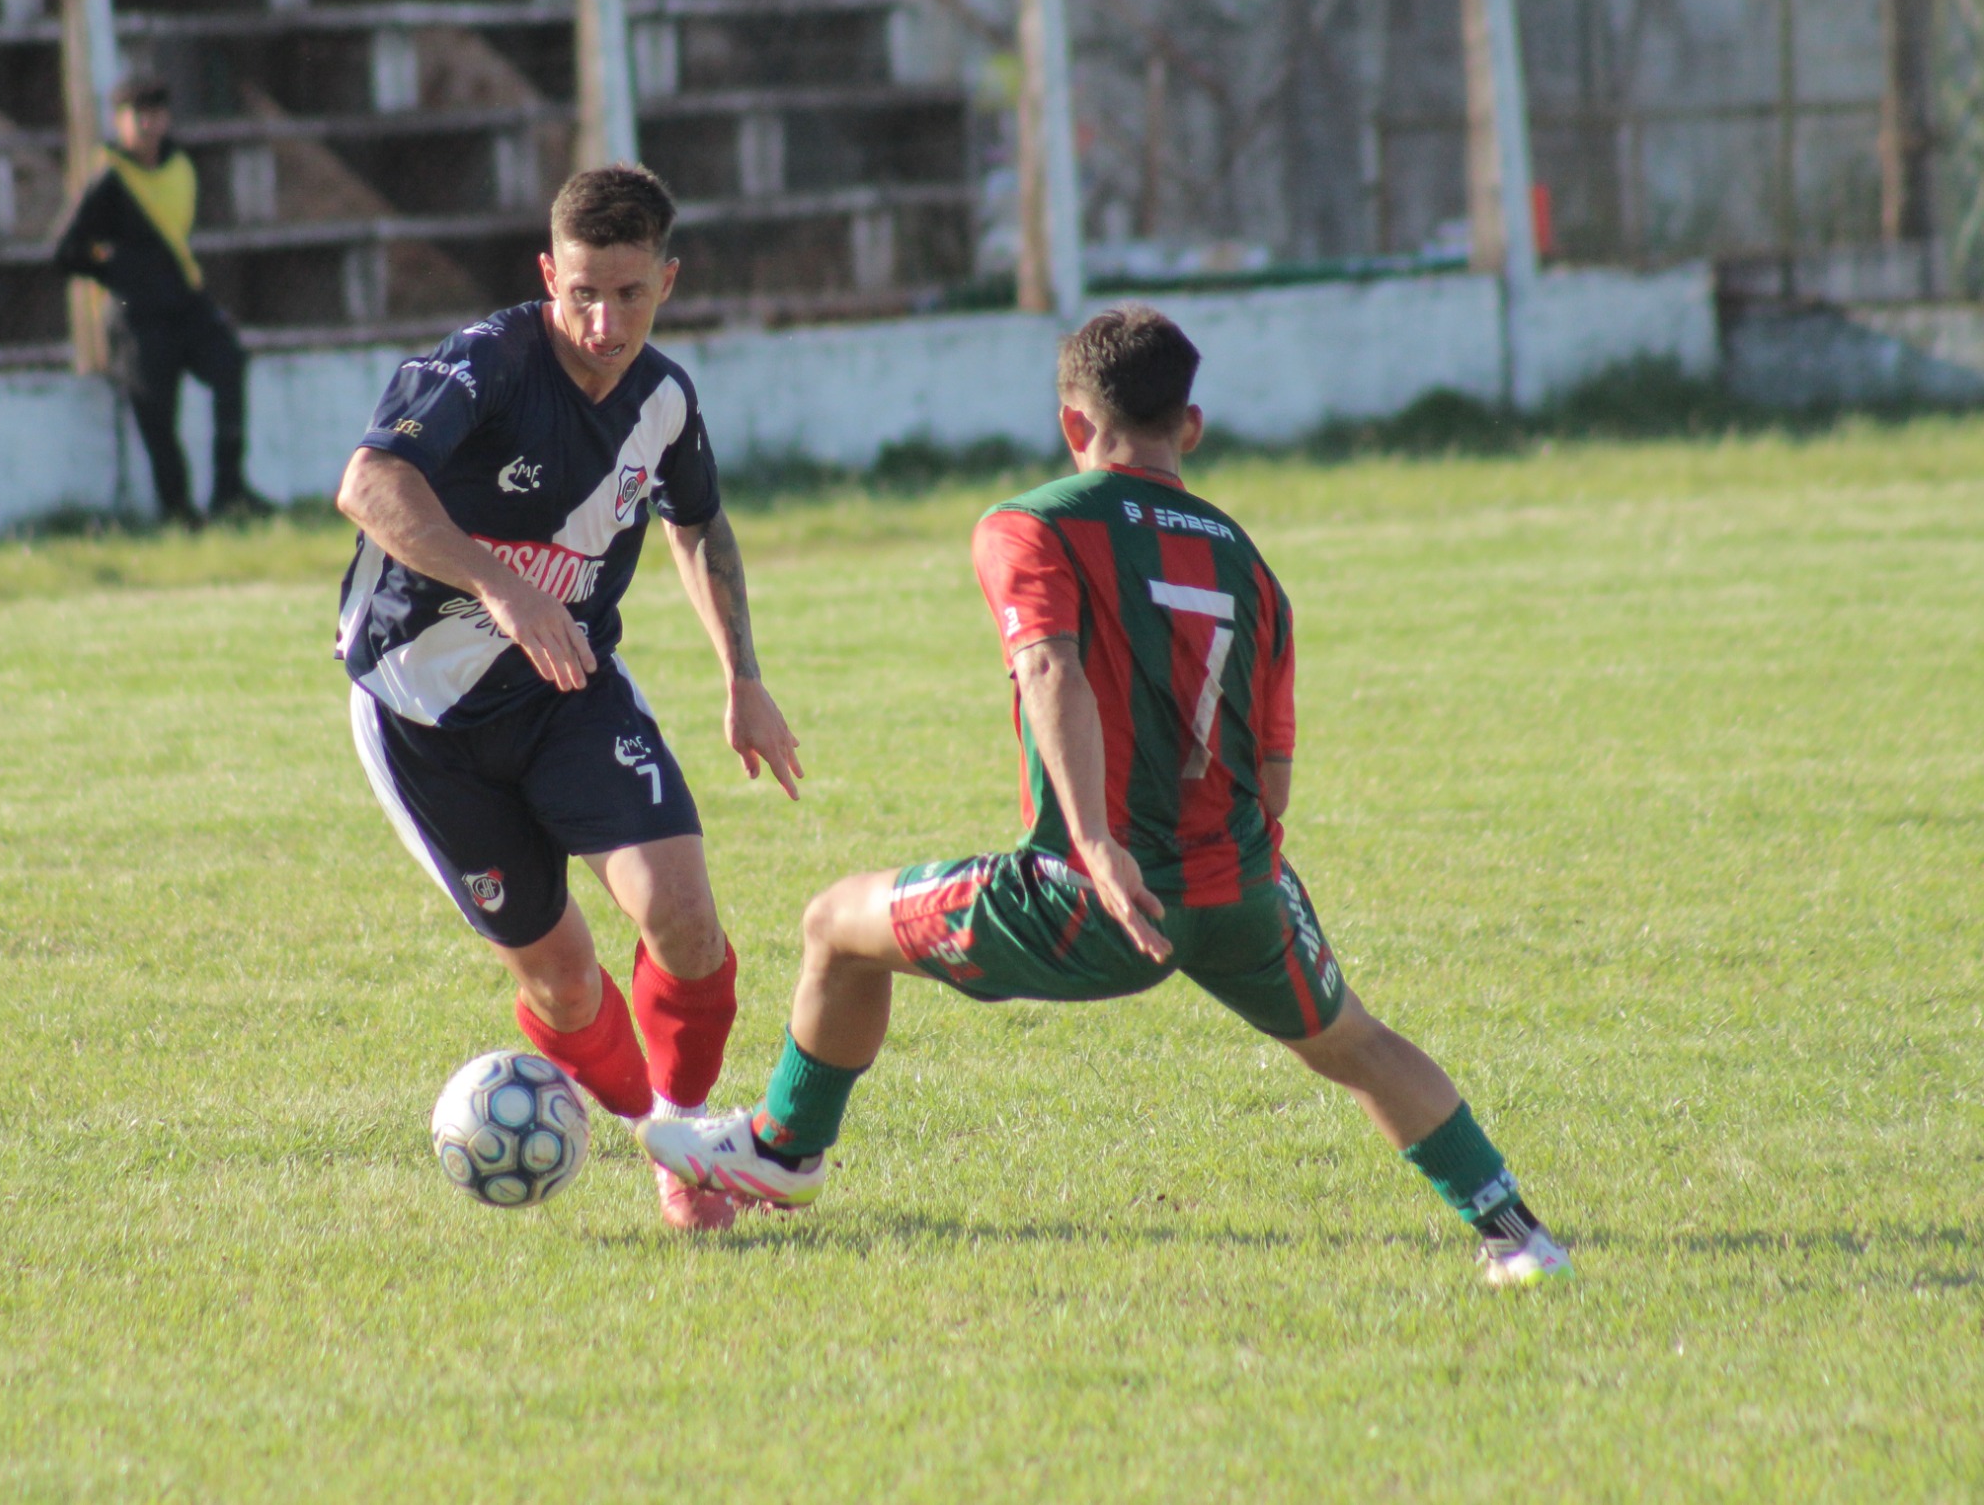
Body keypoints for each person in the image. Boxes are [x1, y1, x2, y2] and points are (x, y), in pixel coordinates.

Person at [639, 305, 1575, 1288]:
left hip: (1092, 895)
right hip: (1240, 884)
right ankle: (1518, 1235)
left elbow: (1049, 666)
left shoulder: (1030, 523)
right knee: (1355, 1040)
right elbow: (1275, 764)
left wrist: (1092, 842)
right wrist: (1241, 877)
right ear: (1192, 425)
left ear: (1072, 426)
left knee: (833, 922)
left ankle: (785, 1150)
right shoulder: (1248, 564)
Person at [333, 165, 806, 1233]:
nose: (602, 321)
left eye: (629, 294)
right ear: (548, 272)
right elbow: (368, 484)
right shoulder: (483, 366)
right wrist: (502, 587)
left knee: (683, 917)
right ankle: (651, 1122)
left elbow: (698, 524)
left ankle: (680, 1141)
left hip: (570, 690)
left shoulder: (665, 399)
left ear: (668, 282)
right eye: (582, 291)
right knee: (562, 979)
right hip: (426, 720)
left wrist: (742, 675)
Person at [54, 76, 275, 529]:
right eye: (138, 116)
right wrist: (115, 269)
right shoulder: (110, 180)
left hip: (185, 302)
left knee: (230, 364)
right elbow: (64, 251)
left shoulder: (180, 166)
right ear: (120, 123)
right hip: (137, 318)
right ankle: (178, 511)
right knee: (158, 415)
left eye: (156, 114)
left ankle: (229, 488)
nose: (149, 125)